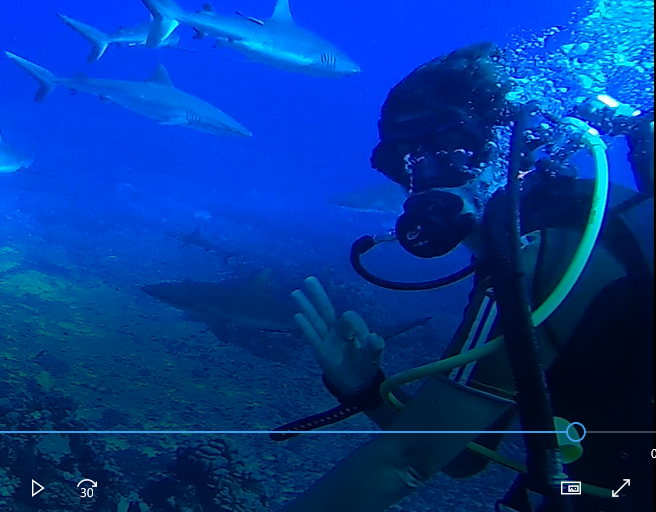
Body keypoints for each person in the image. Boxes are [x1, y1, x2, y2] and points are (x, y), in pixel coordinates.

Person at [274, 43, 654, 512]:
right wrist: (364, 389)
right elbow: (462, 458)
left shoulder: (533, 261)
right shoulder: (606, 212)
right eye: (400, 168)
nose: (411, 189)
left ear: (490, 150)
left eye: (421, 161)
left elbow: (406, 462)